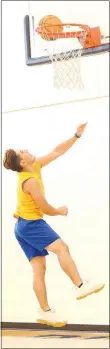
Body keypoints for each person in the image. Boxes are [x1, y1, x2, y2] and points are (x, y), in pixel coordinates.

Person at [3, 122, 104, 327]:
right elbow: (46, 208)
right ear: (22, 162)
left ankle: (45, 311)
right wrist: (60, 210)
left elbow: (57, 151)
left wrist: (76, 135)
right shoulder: (29, 180)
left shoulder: (36, 165)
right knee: (62, 248)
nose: (28, 150)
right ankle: (80, 285)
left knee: (38, 269)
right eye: (24, 151)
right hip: (31, 225)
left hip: (22, 227)